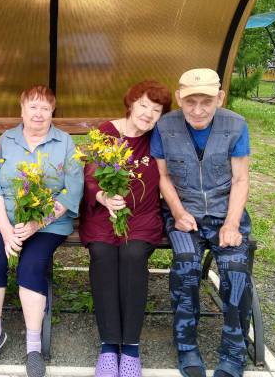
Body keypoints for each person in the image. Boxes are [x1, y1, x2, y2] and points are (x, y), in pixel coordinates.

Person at [0, 85, 84, 377]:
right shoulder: (6, 140)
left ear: (52, 111)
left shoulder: (65, 143)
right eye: (32, 107)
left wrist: (37, 223)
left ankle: (33, 347)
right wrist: (6, 230)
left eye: (45, 108)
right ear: (21, 110)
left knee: (32, 267)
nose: (38, 113)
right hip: (4, 219)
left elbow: (72, 190)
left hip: (49, 224)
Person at [151, 68, 252, 377]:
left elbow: (241, 179)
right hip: (184, 212)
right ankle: (186, 346)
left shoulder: (236, 125)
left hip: (225, 213)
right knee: (185, 264)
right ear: (179, 98)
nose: (198, 110)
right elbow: (163, 177)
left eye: (206, 101)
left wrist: (231, 224)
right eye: (190, 101)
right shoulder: (164, 126)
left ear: (219, 98)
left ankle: (234, 351)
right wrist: (178, 212)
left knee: (236, 269)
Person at [79, 80, 172, 377]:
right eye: (143, 105)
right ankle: (109, 346)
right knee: (103, 254)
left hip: (142, 215)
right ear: (131, 104)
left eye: (156, 110)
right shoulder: (107, 132)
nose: (148, 114)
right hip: (103, 215)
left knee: (132, 256)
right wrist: (103, 197)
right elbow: (90, 175)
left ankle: (130, 347)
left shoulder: (157, 138)